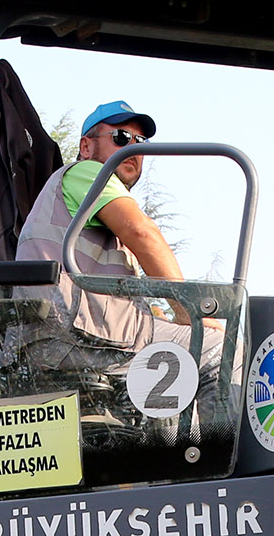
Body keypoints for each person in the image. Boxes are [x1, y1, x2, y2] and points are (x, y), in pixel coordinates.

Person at [13, 99, 223, 374]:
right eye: (121, 137)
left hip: (69, 336)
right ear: (86, 147)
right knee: (222, 350)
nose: (133, 149)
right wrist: (189, 311)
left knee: (176, 385)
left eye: (140, 141)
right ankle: (223, 421)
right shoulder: (88, 173)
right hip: (73, 338)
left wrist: (150, 313)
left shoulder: (93, 207)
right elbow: (143, 233)